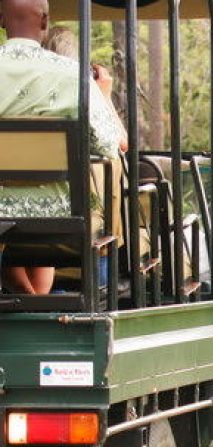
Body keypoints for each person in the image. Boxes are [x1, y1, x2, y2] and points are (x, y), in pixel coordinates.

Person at [0, 0, 126, 294]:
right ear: (44, 21)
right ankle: (37, 301)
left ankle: (26, 297)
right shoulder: (74, 75)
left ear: (1, 20)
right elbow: (110, 146)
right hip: (62, 216)